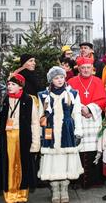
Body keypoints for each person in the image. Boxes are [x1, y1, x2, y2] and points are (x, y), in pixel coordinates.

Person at [37, 66, 84, 203]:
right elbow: (40, 116)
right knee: (53, 162)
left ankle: (64, 189)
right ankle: (54, 189)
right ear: (51, 80)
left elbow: (77, 114)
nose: (59, 80)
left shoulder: (73, 94)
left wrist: (78, 131)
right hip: (49, 132)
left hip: (67, 131)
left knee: (65, 161)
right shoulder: (43, 95)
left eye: (61, 77)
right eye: (56, 78)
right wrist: (41, 134)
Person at [0, 74, 40, 203]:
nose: (9, 87)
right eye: (8, 84)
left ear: (20, 86)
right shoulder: (2, 100)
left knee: (23, 165)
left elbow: (35, 123)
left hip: (23, 137)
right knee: (9, 165)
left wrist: (35, 144)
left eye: (13, 84)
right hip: (6, 138)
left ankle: (22, 194)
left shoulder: (29, 100)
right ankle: (10, 195)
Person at [68, 57, 106, 189]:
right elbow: (68, 99)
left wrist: (89, 109)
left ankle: (94, 180)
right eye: (83, 68)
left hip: (93, 119)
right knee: (77, 149)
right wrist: (81, 109)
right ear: (78, 69)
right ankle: (77, 180)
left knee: (93, 148)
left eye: (88, 68)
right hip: (77, 119)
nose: (85, 70)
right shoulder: (71, 81)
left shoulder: (98, 81)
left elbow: (102, 99)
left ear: (92, 69)